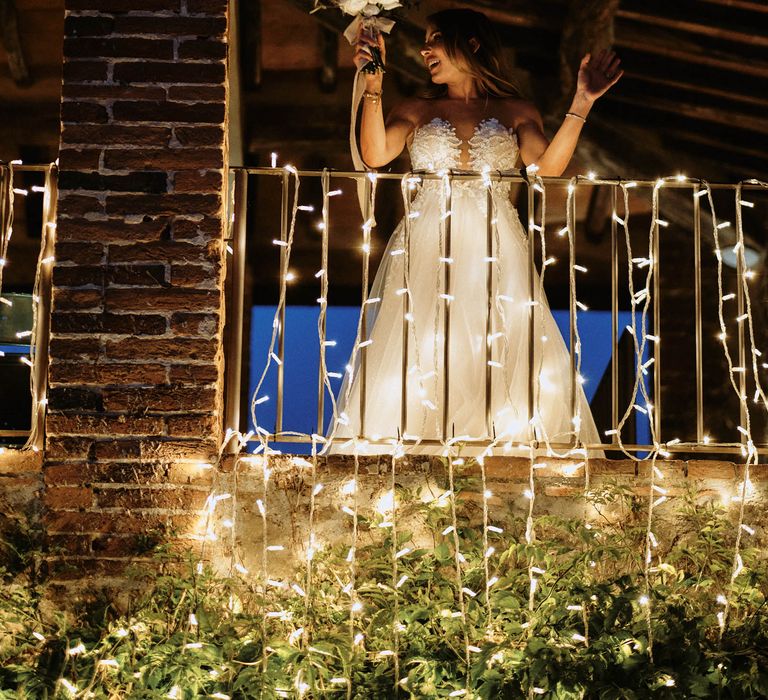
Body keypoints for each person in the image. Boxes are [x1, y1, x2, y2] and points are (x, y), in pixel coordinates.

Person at [329, 8, 622, 454]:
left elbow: (548, 167)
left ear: (473, 45)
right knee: (422, 345)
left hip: (494, 244)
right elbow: (374, 154)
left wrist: (583, 101)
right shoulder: (416, 108)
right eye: (424, 41)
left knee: (499, 340)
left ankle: (497, 446)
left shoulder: (515, 110)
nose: (425, 49)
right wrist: (373, 87)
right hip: (429, 243)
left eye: (436, 38)